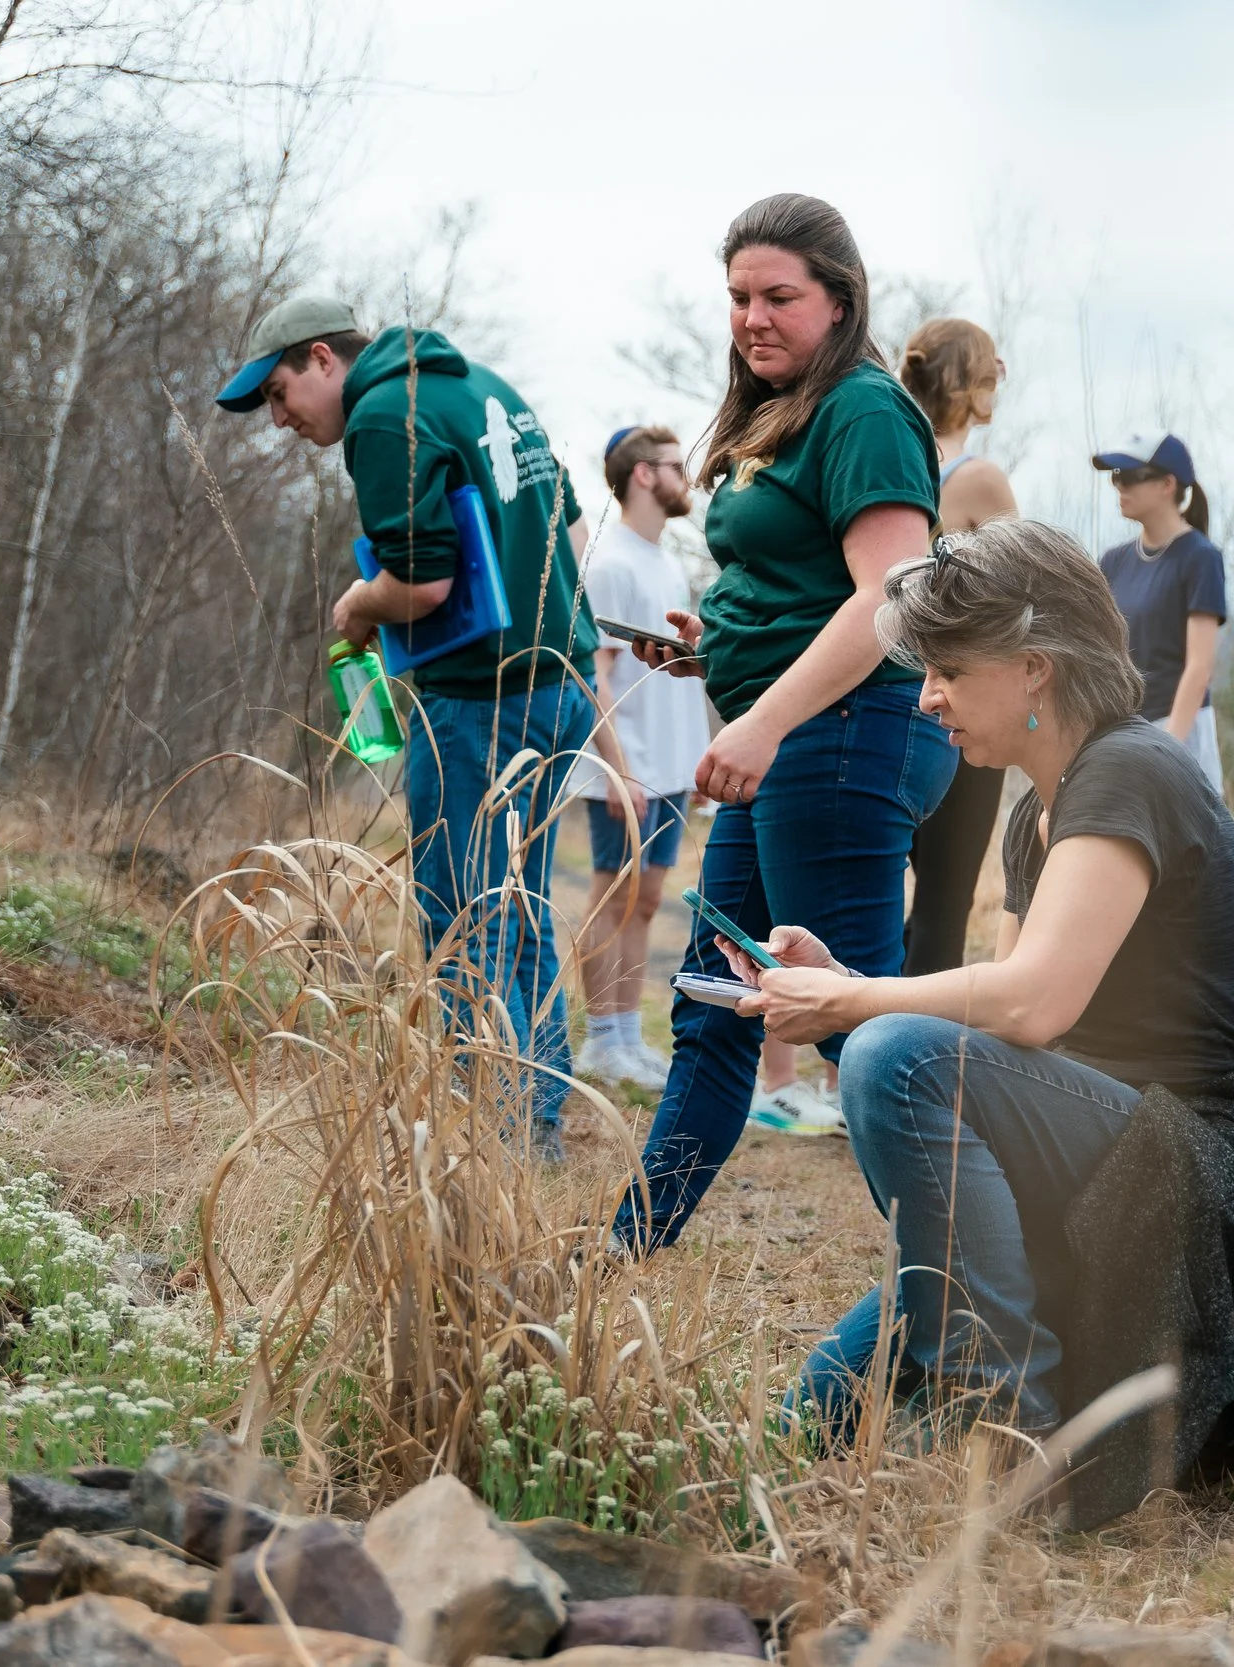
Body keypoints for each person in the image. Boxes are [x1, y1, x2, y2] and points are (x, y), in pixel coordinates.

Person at [721, 520, 1234, 1527]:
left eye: (949, 668)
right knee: (808, 1423)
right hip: (1110, 1145)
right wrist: (843, 987)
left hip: (1215, 1175)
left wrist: (860, 1000)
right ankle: (1014, 1399)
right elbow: (1007, 1025)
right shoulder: (1032, 810)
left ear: (1034, 669)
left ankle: (1005, 1438)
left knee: (891, 1053)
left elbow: (1031, 1000)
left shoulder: (1131, 770)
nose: (925, 695)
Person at [611, 193, 958, 1245]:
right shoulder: (785, 410)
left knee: (859, 1028)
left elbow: (890, 598)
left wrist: (760, 716)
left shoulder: (861, 408)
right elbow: (808, 589)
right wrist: (714, 645)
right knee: (716, 1007)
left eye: (778, 296)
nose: (751, 317)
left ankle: (978, 1286)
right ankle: (618, 1258)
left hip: (850, 738)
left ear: (839, 300)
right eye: (736, 298)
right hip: (793, 744)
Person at [217, 295, 628, 1165]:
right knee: (518, 909)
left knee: (463, 922)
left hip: (480, 701)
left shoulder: (381, 415)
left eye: (280, 393)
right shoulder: (480, 387)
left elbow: (425, 584)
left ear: (323, 358)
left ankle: (494, 1136)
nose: (281, 418)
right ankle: (535, 1127)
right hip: (556, 687)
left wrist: (359, 606)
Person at [570, 426, 711, 1094]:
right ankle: (600, 1041)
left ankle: (627, 1036)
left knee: (647, 898)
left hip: (673, 764)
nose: (686, 476)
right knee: (613, 894)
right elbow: (591, 675)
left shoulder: (666, 562)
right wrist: (621, 767)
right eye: (674, 466)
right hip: (625, 765)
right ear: (643, 476)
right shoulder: (609, 562)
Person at [898, 318, 1020, 976]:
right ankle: (918, 1066)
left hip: (886, 693)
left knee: (881, 896)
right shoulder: (980, 480)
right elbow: (1026, 592)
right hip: (961, 703)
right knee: (944, 905)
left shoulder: (893, 461)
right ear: (974, 386)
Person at [1092, 434, 1227, 795]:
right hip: (1124, 732)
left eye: (1131, 476)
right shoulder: (1113, 561)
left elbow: (1199, 666)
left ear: (1167, 484)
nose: (1119, 485)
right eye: (1115, 476)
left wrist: (1168, 747)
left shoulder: (1200, 558)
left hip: (1179, 732)